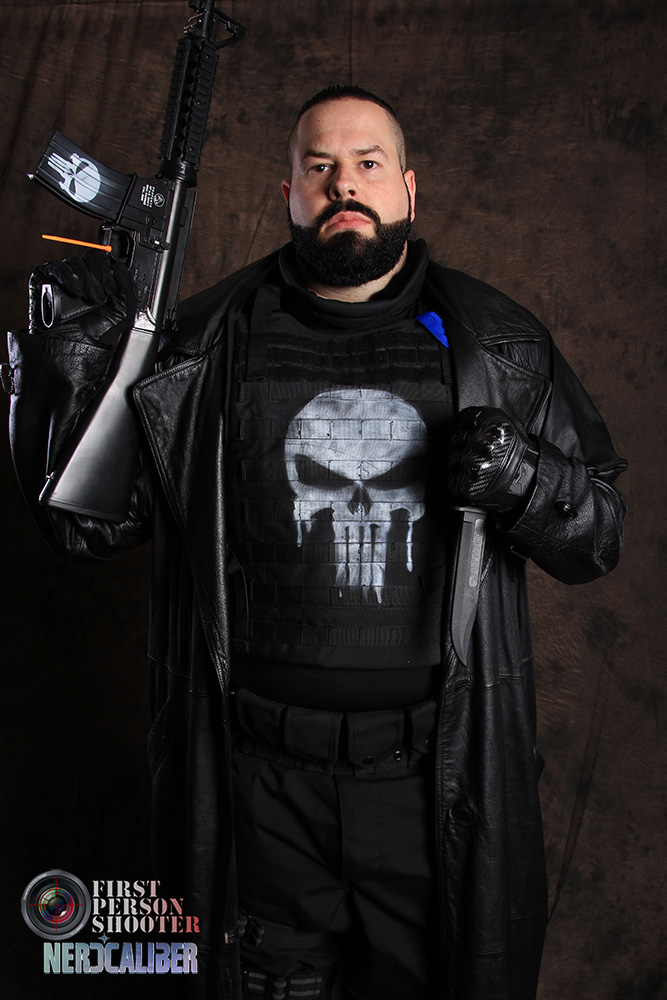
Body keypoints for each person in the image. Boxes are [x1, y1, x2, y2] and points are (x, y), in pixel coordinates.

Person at [5, 85, 627, 1000]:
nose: (345, 184)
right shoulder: (199, 347)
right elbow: (88, 529)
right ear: (288, 192)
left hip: (432, 784)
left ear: (407, 187)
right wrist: (72, 374)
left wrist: (528, 480)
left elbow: (597, 538)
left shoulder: (501, 347)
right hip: (254, 787)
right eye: (319, 166)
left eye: (368, 163)